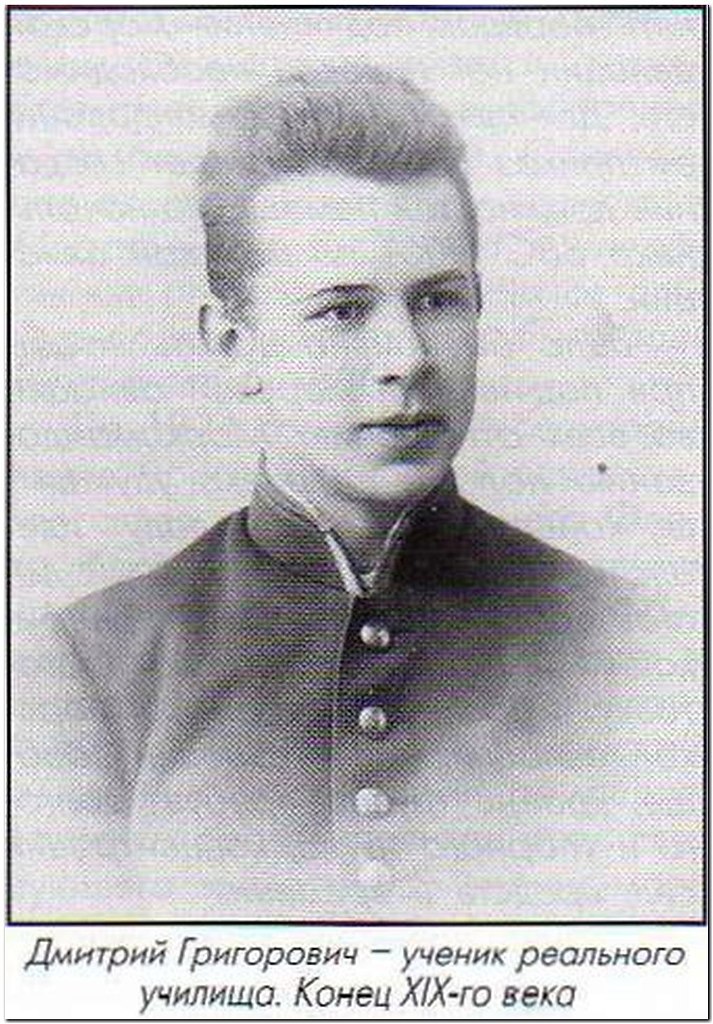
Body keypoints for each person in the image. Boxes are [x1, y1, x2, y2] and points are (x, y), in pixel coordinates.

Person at [13, 64, 698, 921]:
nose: (406, 358)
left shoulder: (636, 650)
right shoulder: (95, 669)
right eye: (342, 311)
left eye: (438, 301)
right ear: (234, 345)